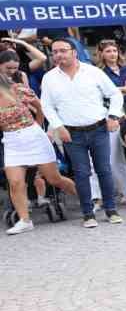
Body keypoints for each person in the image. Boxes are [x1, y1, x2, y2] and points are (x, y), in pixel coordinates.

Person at [39, 36, 124, 228]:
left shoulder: (93, 72)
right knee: (81, 172)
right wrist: (58, 126)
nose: (59, 55)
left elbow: (115, 94)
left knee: (104, 169)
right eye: (55, 52)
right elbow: (47, 106)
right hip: (71, 133)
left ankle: (111, 210)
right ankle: (88, 213)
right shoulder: (49, 78)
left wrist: (113, 116)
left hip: (98, 128)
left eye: (63, 50)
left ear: (74, 52)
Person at [0, 50, 76, 234]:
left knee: (54, 179)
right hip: (11, 140)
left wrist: (39, 124)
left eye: (13, 68)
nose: (11, 71)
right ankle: (25, 221)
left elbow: (41, 106)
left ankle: (88, 200)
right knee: (16, 183)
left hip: (33, 136)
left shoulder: (17, 89)